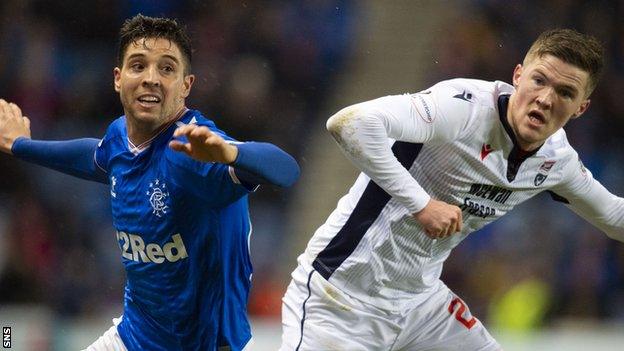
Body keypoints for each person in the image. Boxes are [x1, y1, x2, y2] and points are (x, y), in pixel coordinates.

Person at [280, 28, 622, 350]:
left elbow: (613, 216)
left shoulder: (556, 160)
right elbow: (350, 123)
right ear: (518, 76)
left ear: (581, 107)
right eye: (539, 80)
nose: (546, 99)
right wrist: (421, 204)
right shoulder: (462, 108)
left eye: (565, 93)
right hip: (339, 297)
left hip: (420, 305)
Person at [0, 14, 300, 351]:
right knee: (6, 342)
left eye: (167, 68)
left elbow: (286, 169)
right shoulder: (118, 137)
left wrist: (231, 154)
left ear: (186, 85)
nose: (151, 79)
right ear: (118, 78)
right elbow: (93, 157)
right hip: (133, 337)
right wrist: (22, 146)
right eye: (138, 65)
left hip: (207, 345)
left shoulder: (194, 149)